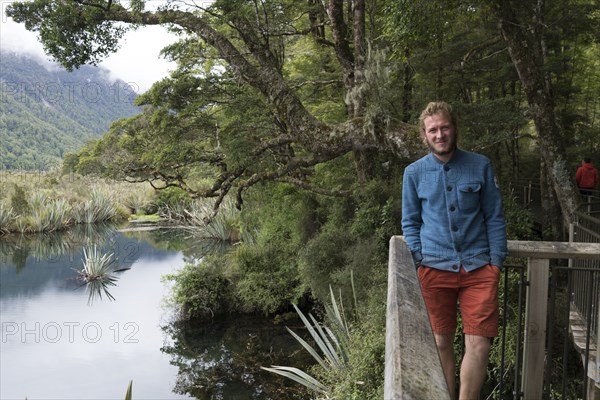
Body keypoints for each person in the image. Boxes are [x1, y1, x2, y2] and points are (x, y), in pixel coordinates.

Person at [401, 101, 507, 400]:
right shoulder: (414, 173)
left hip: (479, 269)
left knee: (480, 345)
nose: (439, 134)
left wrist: (496, 262)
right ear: (424, 135)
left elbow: (494, 216)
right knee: (440, 342)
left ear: (454, 128)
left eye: (444, 127)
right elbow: (410, 221)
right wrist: (420, 258)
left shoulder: (480, 165)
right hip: (434, 269)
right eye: (432, 130)